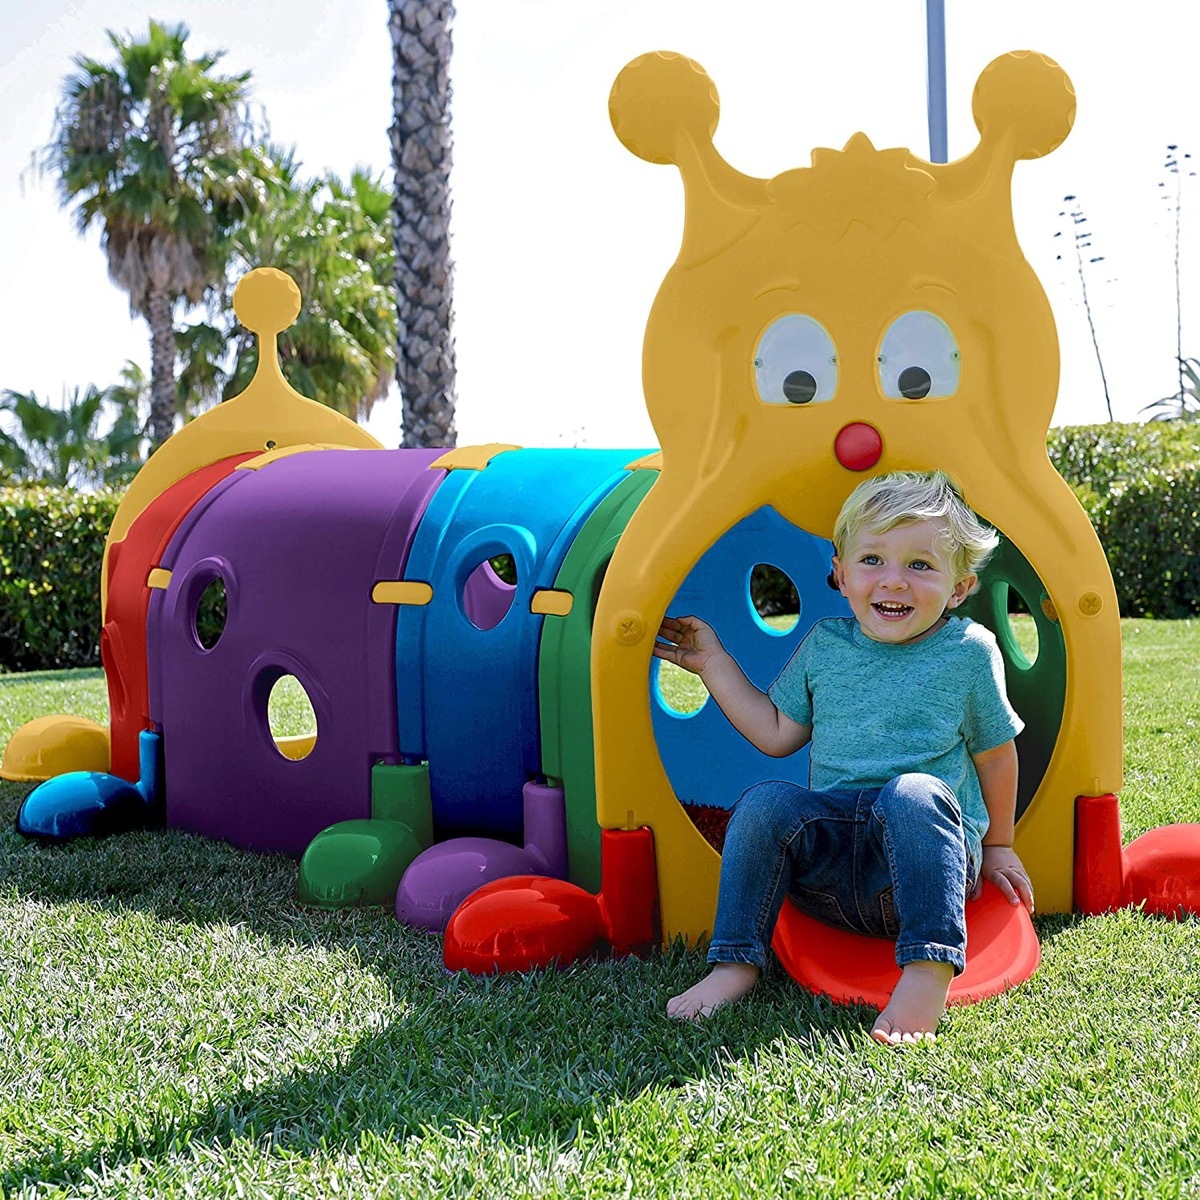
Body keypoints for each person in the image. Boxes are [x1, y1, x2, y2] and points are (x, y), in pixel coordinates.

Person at [654, 470, 1034, 1043]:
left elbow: (996, 758)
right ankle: (735, 962)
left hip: (926, 865)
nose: (895, 581)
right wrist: (714, 665)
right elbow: (776, 732)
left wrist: (999, 844)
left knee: (915, 792)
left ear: (959, 588)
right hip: (833, 871)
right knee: (764, 802)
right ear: (840, 572)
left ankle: (928, 969)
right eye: (873, 560)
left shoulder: (966, 653)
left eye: (921, 566)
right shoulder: (825, 647)